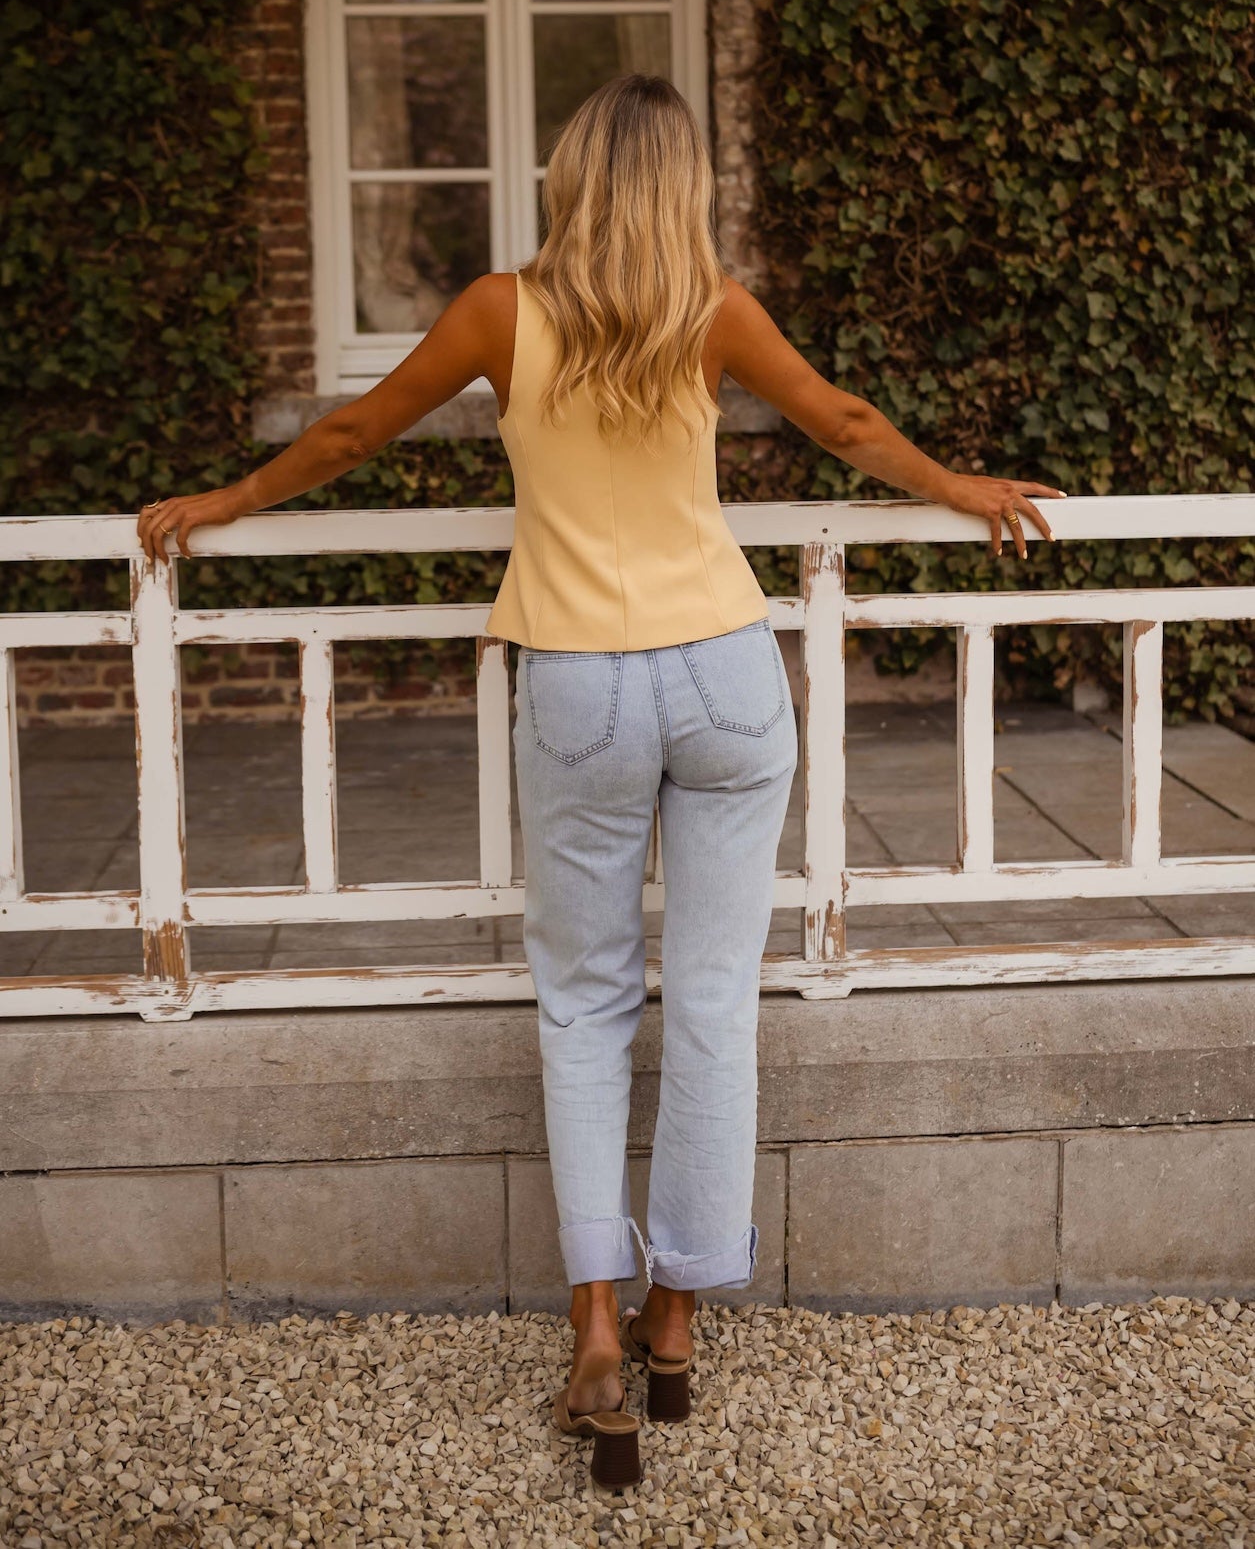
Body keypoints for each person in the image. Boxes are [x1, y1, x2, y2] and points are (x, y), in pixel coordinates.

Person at [136, 72, 1062, 1490]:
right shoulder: (712, 309)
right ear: (683, 183)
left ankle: (593, 1337)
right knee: (712, 1003)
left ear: (569, 176)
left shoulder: (498, 312)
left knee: (581, 1006)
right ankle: (675, 1326)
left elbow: (351, 434)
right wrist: (965, 487)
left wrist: (221, 503)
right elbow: (845, 423)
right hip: (728, 672)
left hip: (579, 679)